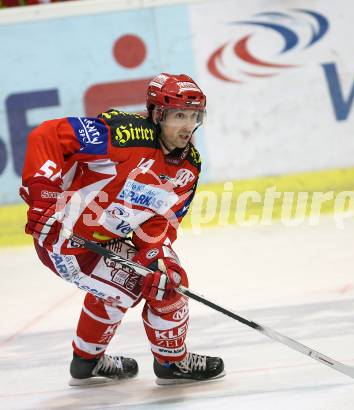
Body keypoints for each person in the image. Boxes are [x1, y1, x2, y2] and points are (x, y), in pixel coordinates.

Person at [19, 73, 225, 386]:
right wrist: (43, 199)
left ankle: (87, 361)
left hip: (104, 242)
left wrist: (156, 255)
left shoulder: (189, 168)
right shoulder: (124, 135)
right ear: (157, 114)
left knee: (163, 279)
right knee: (147, 289)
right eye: (179, 115)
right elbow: (47, 135)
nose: (187, 125)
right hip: (63, 239)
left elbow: (158, 224)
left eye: (194, 116)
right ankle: (172, 363)